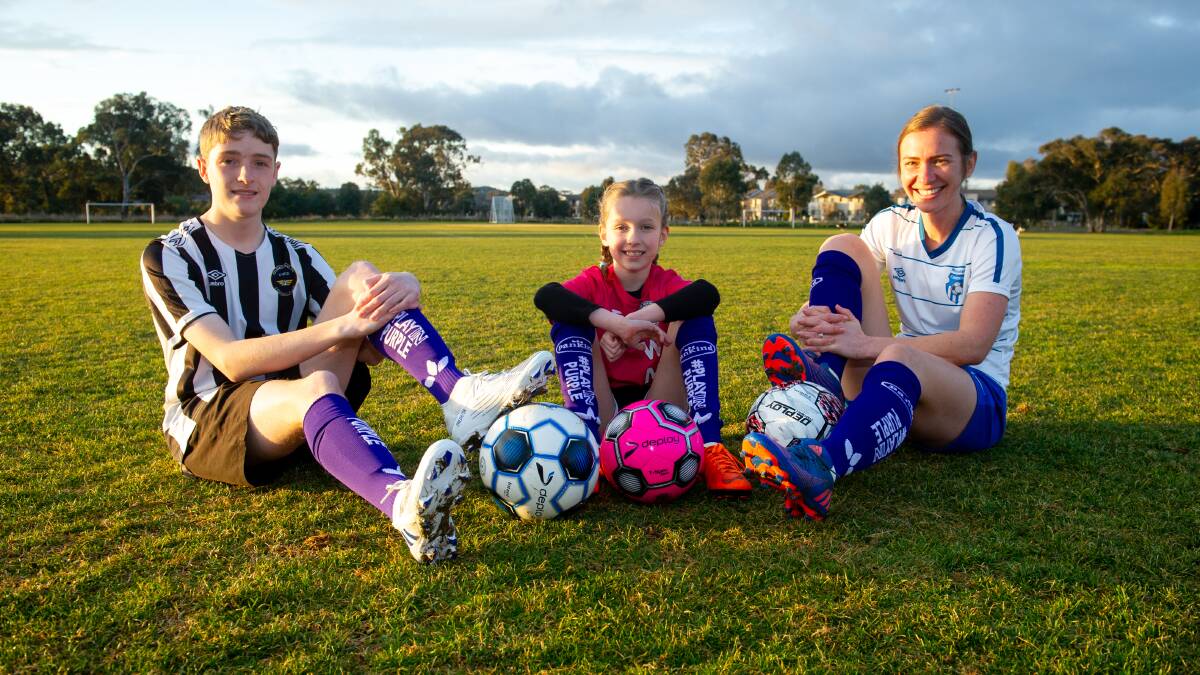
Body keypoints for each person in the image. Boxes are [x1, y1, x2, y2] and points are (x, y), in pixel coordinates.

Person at [139, 106, 552, 562]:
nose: (244, 175)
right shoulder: (171, 254)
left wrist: (407, 285)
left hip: (299, 410)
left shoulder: (296, 254)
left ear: (276, 172)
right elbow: (231, 360)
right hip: (212, 418)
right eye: (229, 160)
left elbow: (369, 350)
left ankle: (460, 397)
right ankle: (404, 508)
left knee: (362, 275)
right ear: (203, 168)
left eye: (259, 162)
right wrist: (348, 324)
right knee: (318, 383)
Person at [743, 105, 1022, 520]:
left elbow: (973, 344)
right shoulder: (890, 223)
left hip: (970, 401)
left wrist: (867, 344)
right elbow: (847, 290)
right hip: (900, 373)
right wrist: (811, 318)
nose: (924, 177)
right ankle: (827, 373)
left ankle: (823, 467)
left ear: (969, 164)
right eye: (912, 163)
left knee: (898, 353)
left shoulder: (992, 236)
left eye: (940, 161)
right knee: (843, 245)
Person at [534, 178, 750, 497]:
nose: (633, 238)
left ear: (663, 235)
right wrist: (611, 323)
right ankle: (587, 451)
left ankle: (711, 447)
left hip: (661, 409)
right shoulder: (594, 282)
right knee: (571, 322)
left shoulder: (667, 283)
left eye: (646, 227)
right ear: (604, 234)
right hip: (604, 414)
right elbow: (547, 296)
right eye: (621, 227)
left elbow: (707, 294)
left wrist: (635, 319)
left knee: (696, 317)